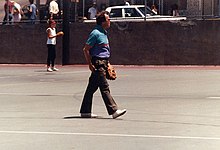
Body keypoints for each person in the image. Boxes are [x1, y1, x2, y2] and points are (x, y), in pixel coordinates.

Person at [80, 11, 127, 119]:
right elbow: (86, 49)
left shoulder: (104, 33)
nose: (109, 21)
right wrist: (90, 64)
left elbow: (104, 51)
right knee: (104, 87)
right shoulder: (95, 33)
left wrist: (108, 63)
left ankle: (85, 111)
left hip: (104, 63)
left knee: (91, 88)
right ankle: (113, 110)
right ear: (102, 22)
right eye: (108, 19)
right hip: (98, 63)